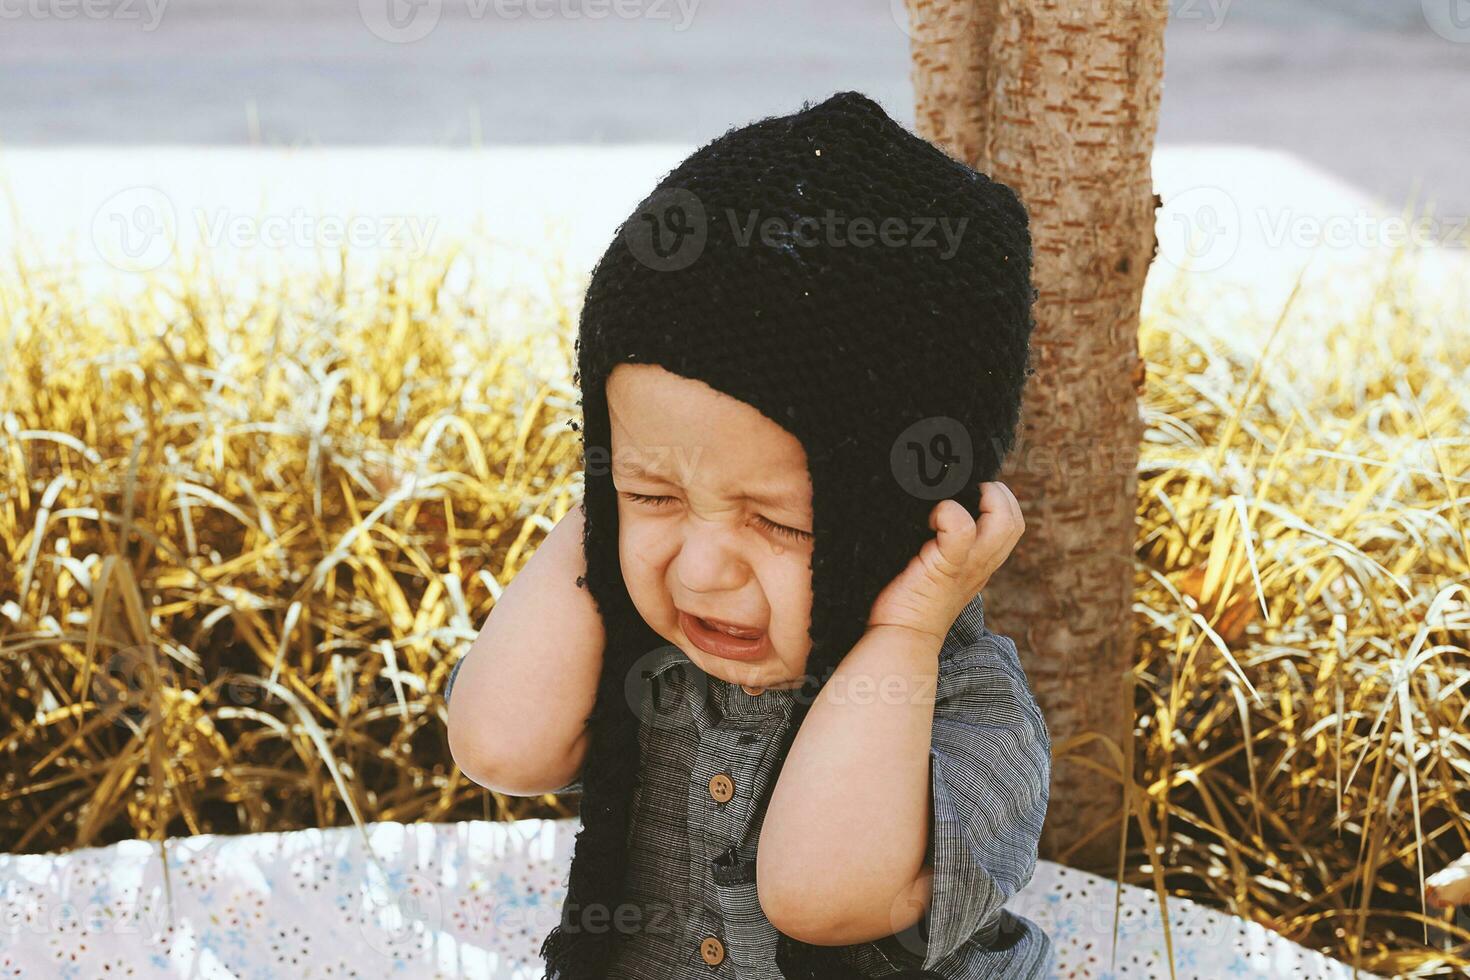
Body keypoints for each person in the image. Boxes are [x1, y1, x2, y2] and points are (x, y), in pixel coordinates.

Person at [446, 90, 1053, 979]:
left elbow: (822, 894)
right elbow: (501, 746)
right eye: (651, 493)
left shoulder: (966, 713)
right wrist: (609, 499)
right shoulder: (645, 659)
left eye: (777, 522)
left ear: (904, 518)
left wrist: (903, 631)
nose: (699, 569)